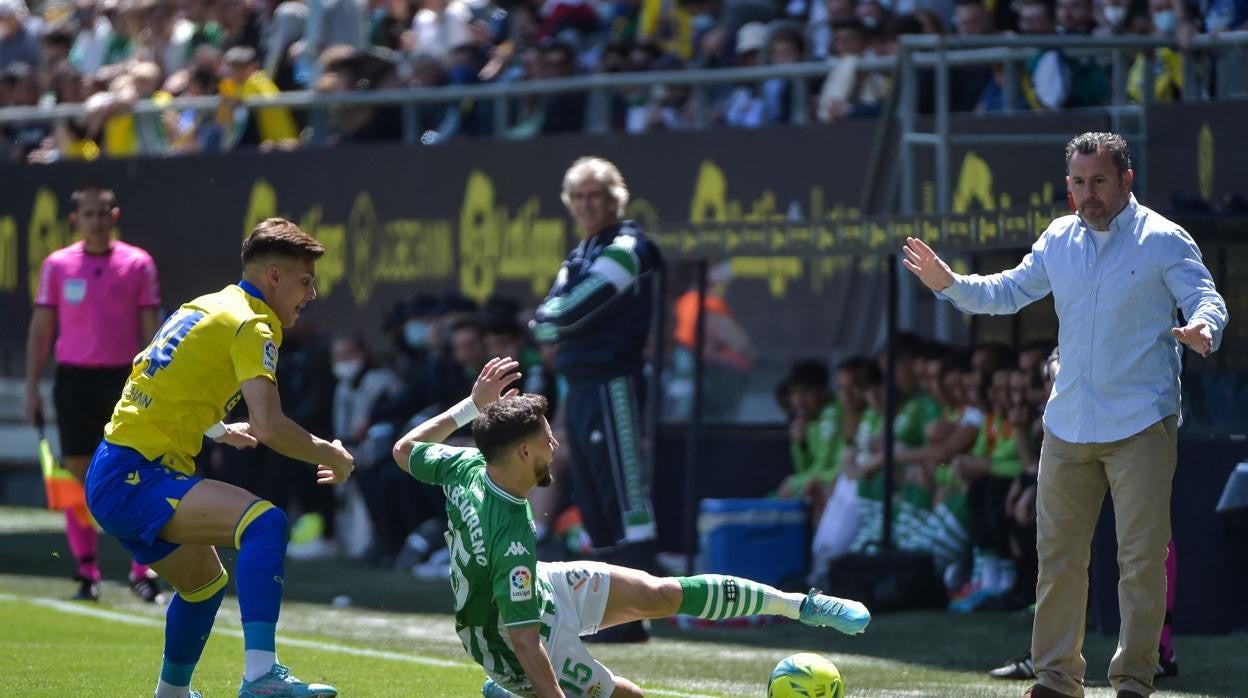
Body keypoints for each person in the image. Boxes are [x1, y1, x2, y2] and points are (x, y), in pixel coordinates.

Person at [901, 131, 1228, 698]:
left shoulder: (1165, 239)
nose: (1087, 194)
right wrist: (950, 284)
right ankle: (1056, 680)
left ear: (1127, 180)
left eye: (1098, 181)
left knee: (1141, 560)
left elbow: (1206, 297)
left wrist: (1204, 327)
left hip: (1142, 422)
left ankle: (1134, 681)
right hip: (1068, 423)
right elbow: (1006, 292)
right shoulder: (1058, 237)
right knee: (1057, 558)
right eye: (1078, 183)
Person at [391, 357, 872, 698]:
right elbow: (524, 641)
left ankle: (803, 605)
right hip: (512, 643)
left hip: (537, 591)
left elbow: (404, 450)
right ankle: (514, 691)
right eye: (546, 438)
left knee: (660, 594)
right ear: (522, 452)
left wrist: (471, 407)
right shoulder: (510, 536)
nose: (555, 444)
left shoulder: (468, 465)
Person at [84, 218, 354, 698]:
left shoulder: (207, 305)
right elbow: (271, 426)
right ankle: (260, 675)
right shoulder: (255, 323)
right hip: (137, 475)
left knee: (205, 585)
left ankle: (172, 694)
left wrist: (216, 428)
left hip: (115, 470)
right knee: (265, 523)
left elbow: (152, 374)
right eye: (304, 281)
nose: (311, 294)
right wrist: (329, 452)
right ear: (273, 276)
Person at [529, 157, 664, 641]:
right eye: (579, 196)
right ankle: (615, 618)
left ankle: (642, 610)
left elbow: (567, 312)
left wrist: (553, 318)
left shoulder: (630, 246)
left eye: (597, 195)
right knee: (593, 498)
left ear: (616, 199)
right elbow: (549, 313)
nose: (587, 205)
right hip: (581, 383)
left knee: (625, 494)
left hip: (616, 383)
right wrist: (552, 317)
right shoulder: (580, 251)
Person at [24, 185, 164, 603]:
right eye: (89, 214)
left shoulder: (138, 264)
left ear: (115, 215)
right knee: (77, 476)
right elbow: (41, 330)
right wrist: (31, 387)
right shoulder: (58, 265)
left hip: (124, 380)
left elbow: (152, 332)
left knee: (135, 473)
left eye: (104, 213)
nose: (97, 221)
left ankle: (143, 569)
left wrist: (156, 384)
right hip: (75, 381)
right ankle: (87, 571)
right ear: (75, 220)